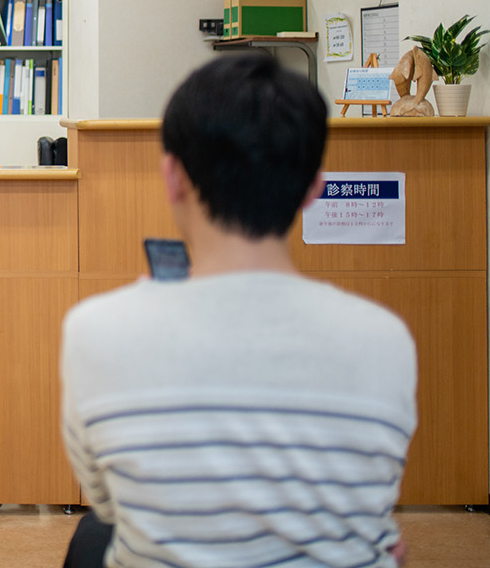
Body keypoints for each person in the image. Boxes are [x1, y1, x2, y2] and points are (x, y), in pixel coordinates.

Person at [59, 54, 417, 568]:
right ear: (314, 187)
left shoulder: (96, 330)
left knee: (94, 538)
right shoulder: (386, 338)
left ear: (172, 177)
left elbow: (110, 501)